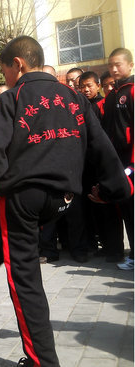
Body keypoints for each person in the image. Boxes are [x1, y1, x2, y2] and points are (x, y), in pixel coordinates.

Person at [0, 36, 132, 367]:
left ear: (17, 64)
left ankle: (42, 362)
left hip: (23, 196)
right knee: (18, 236)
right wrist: (115, 189)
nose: (4, 79)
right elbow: (100, 146)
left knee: (25, 281)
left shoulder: (13, 98)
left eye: (4, 71)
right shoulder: (74, 97)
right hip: (63, 198)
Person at [99, 48, 134, 269]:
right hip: (118, 162)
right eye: (111, 65)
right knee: (127, 208)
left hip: (131, 162)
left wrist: (132, 163)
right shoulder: (112, 96)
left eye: (118, 64)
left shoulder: (131, 92)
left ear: (130, 65)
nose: (113, 68)